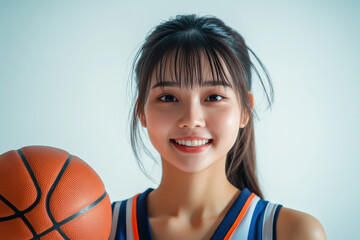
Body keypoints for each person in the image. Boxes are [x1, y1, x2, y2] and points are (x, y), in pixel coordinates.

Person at [109, 14, 326, 240]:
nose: (192, 119)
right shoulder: (99, 228)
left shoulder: (294, 232)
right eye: (168, 98)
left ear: (245, 111)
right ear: (141, 112)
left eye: (213, 97)